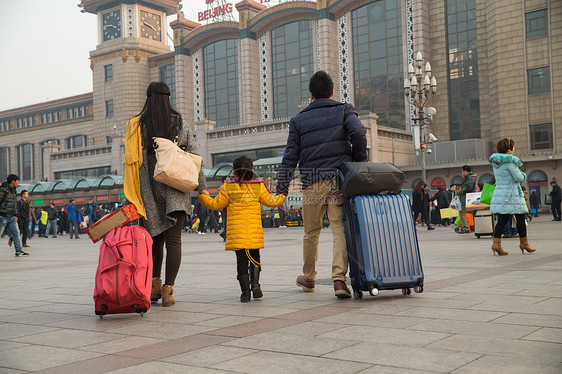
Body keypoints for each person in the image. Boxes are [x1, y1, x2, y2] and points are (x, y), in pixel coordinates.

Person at [276, 71, 368, 299]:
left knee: (311, 232)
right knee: (339, 230)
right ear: (332, 92)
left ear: (311, 95)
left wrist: (281, 188)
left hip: (312, 182)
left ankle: (309, 278)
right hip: (339, 180)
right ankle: (339, 280)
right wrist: (358, 164)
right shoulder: (344, 109)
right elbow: (358, 132)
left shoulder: (298, 120)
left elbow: (290, 156)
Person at [124, 81, 207, 307]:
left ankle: (153, 287)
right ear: (168, 98)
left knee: (154, 241)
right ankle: (168, 290)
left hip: (149, 192)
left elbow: (131, 163)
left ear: (148, 98)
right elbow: (195, 157)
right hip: (176, 189)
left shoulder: (137, 126)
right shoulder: (180, 123)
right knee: (174, 241)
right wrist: (202, 188)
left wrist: (131, 195)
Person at [198, 156, 286, 302]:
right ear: (252, 170)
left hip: (237, 233)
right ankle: (255, 284)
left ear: (234, 172)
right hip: (254, 233)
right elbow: (272, 201)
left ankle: (245, 293)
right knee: (255, 258)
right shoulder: (259, 186)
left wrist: (203, 196)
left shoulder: (228, 188)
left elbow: (216, 205)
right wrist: (282, 195)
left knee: (241, 262)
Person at [489, 138, 535, 256]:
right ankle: (524, 243)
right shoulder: (510, 163)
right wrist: (524, 175)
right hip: (512, 194)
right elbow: (518, 177)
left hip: (501, 193)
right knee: (520, 218)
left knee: (502, 220)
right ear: (509, 149)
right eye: (513, 147)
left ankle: (496, 244)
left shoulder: (496, 163)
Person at [0, 174, 28, 257]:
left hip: (11, 217)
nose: (17, 183)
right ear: (13, 181)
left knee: (16, 233)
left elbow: (14, 204)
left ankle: (18, 251)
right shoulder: (3, 190)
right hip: (3, 216)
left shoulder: (14, 191)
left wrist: (15, 214)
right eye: (17, 181)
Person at [456, 165, 477, 234]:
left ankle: (466, 228)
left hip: (468, 199)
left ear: (465, 171)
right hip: (469, 198)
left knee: (462, 212)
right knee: (470, 213)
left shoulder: (470, 178)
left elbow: (468, 187)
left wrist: (460, 192)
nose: (462, 173)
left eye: (462, 171)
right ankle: (471, 227)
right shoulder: (470, 177)